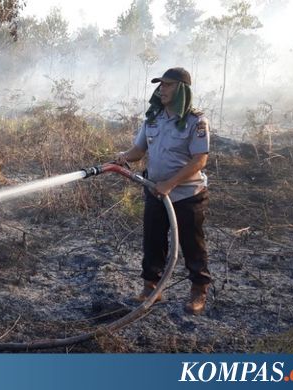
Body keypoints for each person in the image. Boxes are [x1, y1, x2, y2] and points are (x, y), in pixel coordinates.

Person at [114, 67, 211, 315]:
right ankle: (151, 288)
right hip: (155, 191)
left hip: (187, 195)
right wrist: (123, 158)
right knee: (153, 241)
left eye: (167, 85)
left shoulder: (196, 122)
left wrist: (171, 183)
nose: (161, 90)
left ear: (182, 90)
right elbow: (139, 150)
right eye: (160, 85)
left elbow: (199, 160)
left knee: (192, 244)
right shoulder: (153, 119)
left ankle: (198, 291)